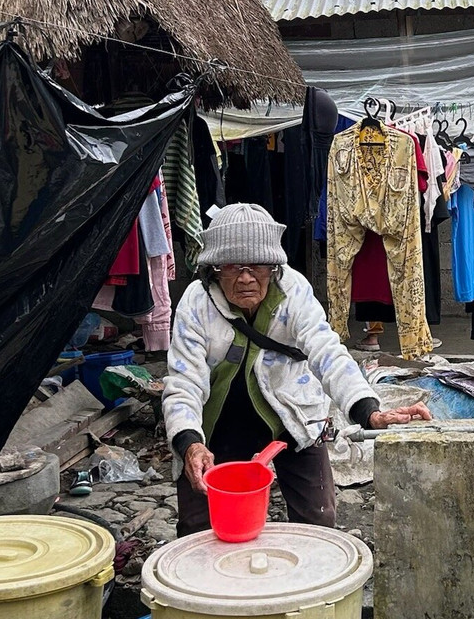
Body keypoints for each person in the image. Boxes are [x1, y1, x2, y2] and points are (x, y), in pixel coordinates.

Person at [164, 204, 431, 536]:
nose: (246, 277)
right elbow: (183, 379)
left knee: (318, 521)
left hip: (292, 412)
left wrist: (369, 410)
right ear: (214, 269)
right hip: (219, 422)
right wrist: (190, 443)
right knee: (198, 529)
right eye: (234, 266)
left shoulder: (294, 291)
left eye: (258, 266)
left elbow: (327, 351)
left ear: (274, 267)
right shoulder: (196, 302)